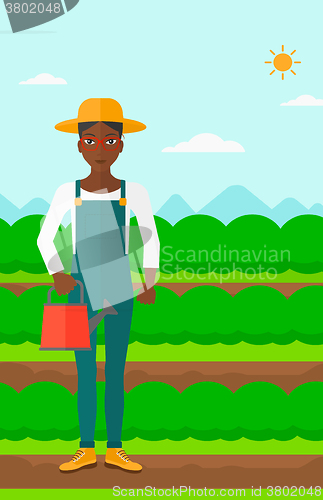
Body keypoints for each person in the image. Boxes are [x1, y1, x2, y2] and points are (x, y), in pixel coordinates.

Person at [37, 98, 160, 472]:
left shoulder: (133, 192)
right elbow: (45, 237)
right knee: (85, 371)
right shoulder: (67, 192)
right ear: (78, 145)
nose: (100, 149)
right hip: (78, 292)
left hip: (121, 288)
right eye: (90, 141)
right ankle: (87, 448)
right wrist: (58, 272)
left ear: (121, 145)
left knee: (117, 371)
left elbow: (150, 237)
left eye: (109, 141)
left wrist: (148, 278)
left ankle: (117, 448)